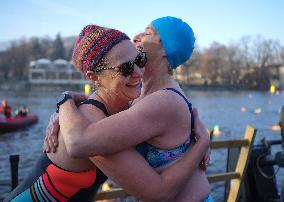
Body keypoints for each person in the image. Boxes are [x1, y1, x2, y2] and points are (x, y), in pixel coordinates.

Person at [5, 24, 209, 202]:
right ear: (95, 77)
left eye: (139, 60)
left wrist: (190, 134)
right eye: (127, 67)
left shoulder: (123, 109)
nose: (138, 72)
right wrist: (202, 144)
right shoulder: (89, 123)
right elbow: (158, 192)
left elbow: (168, 116)